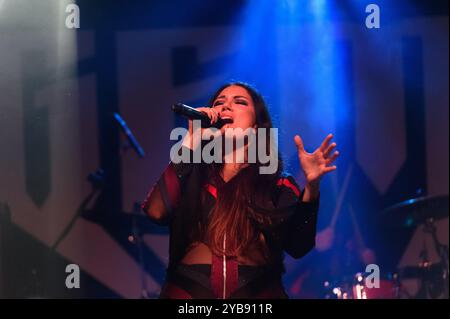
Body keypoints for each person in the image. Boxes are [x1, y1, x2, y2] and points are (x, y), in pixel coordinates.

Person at [142, 82, 339, 298]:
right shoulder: (189, 176)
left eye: (240, 102)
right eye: (219, 103)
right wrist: (191, 139)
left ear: (256, 127)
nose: (226, 106)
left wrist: (312, 186)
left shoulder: (277, 184)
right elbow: (155, 211)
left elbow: (299, 246)